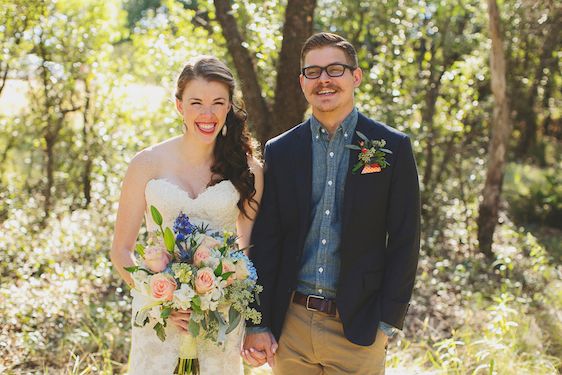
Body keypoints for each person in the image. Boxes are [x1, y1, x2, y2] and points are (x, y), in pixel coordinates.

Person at [242, 32, 420, 374]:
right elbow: (268, 241)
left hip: (359, 327)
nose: (323, 79)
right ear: (302, 82)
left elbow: (405, 239)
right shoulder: (280, 150)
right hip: (291, 325)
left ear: (356, 76)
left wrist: (387, 323)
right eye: (313, 71)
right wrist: (259, 321)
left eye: (335, 69)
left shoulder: (391, 148)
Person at [110, 56, 263, 375]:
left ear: (229, 108)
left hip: (219, 318)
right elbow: (121, 250)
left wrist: (222, 294)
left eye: (218, 103)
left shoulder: (248, 171)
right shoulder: (146, 164)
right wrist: (161, 298)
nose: (207, 114)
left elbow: (249, 251)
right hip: (158, 318)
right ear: (179, 105)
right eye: (196, 102)